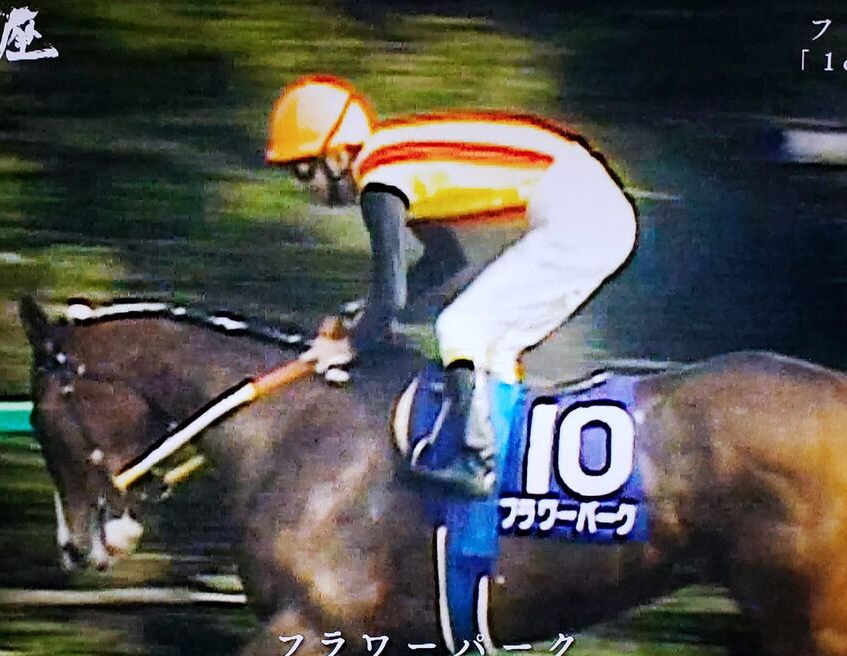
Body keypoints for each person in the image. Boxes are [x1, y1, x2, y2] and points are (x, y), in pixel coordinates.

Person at [266, 75, 638, 493]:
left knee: (460, 328)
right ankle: (506, 472)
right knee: (493, 347)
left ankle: (477, 462)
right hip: (592, 205)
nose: (308, 188)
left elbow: (392, 297)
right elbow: (445, 264)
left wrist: (347, 345)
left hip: (584, 213)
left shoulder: (378, 182)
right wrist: (359, 314)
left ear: (336, 156)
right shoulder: (394, 165)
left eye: (303, 170)